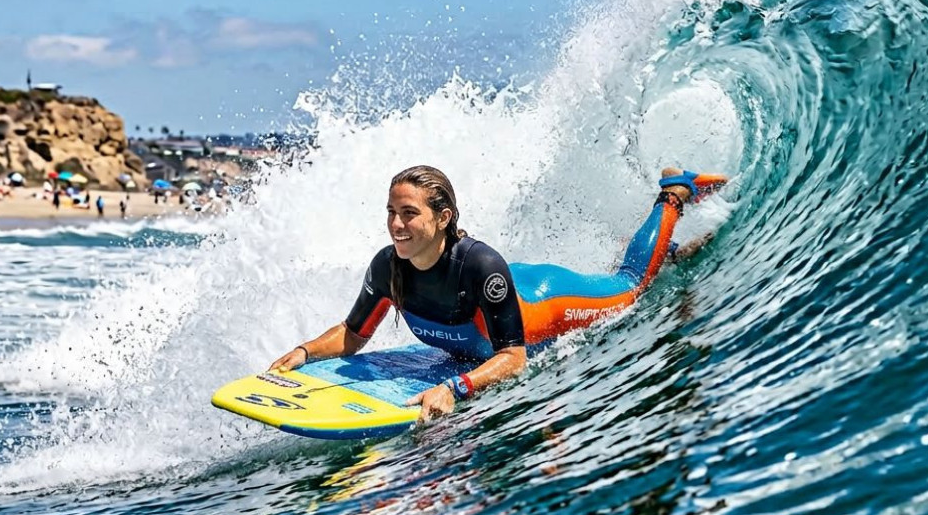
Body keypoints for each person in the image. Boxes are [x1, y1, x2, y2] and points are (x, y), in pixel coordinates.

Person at [268, 164, 728, 423]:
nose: (396, 224)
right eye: (391, 212)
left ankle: (673, 193)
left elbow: (514, 357)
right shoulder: (389, 266)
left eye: (409, 213)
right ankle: (665, 251)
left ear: (443, 217)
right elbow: (352, 335)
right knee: (622, 278)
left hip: (547, 304)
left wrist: (456, 387)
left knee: (629, 287)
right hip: (508, 288)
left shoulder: (479, 265)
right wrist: (304, 353)